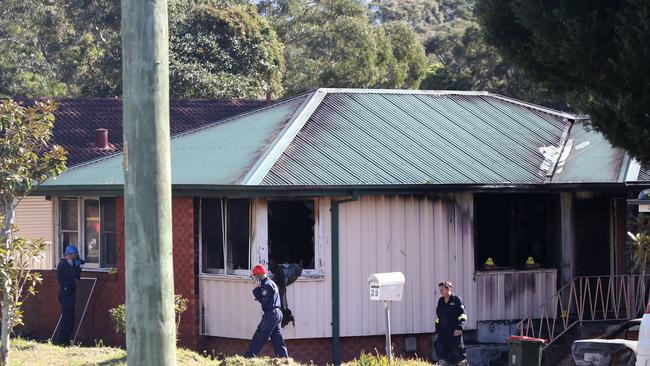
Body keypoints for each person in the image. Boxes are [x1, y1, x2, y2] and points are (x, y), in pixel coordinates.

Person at [245, 264, 289, 358]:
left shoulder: (266, 285)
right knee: (277, 339)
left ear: (258, 277)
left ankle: (249, 357)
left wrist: (256, 289)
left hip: (271, 314)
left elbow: (264, 301)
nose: (254, 280)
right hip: (277, 313)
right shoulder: (271, 283)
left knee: (260, 335)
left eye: (255, 278)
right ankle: (284, 359)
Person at [55, 245, 82, 346]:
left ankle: (66, 340)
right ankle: (63, 341)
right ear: (69, 255)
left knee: (69, 317)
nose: (75, 258)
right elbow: (75, 275)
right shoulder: (64, 264)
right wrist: (77, 266)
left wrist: (76, 266)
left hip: (68, 293)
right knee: (67, 318)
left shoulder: (67, 264)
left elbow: (77, 277)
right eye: (74, 256)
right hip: (66, 293)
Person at [435, 280, 467, 366]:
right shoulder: (440, 301)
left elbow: (463, 315)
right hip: (443, 333)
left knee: (458, 354)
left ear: (448, 289)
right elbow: (438, 317)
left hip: (454, 332)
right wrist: (437, 330)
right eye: (440, 290)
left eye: (442, 289)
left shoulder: (457, 300)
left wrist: (459, 328)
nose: (440, 292)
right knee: (442, 354)